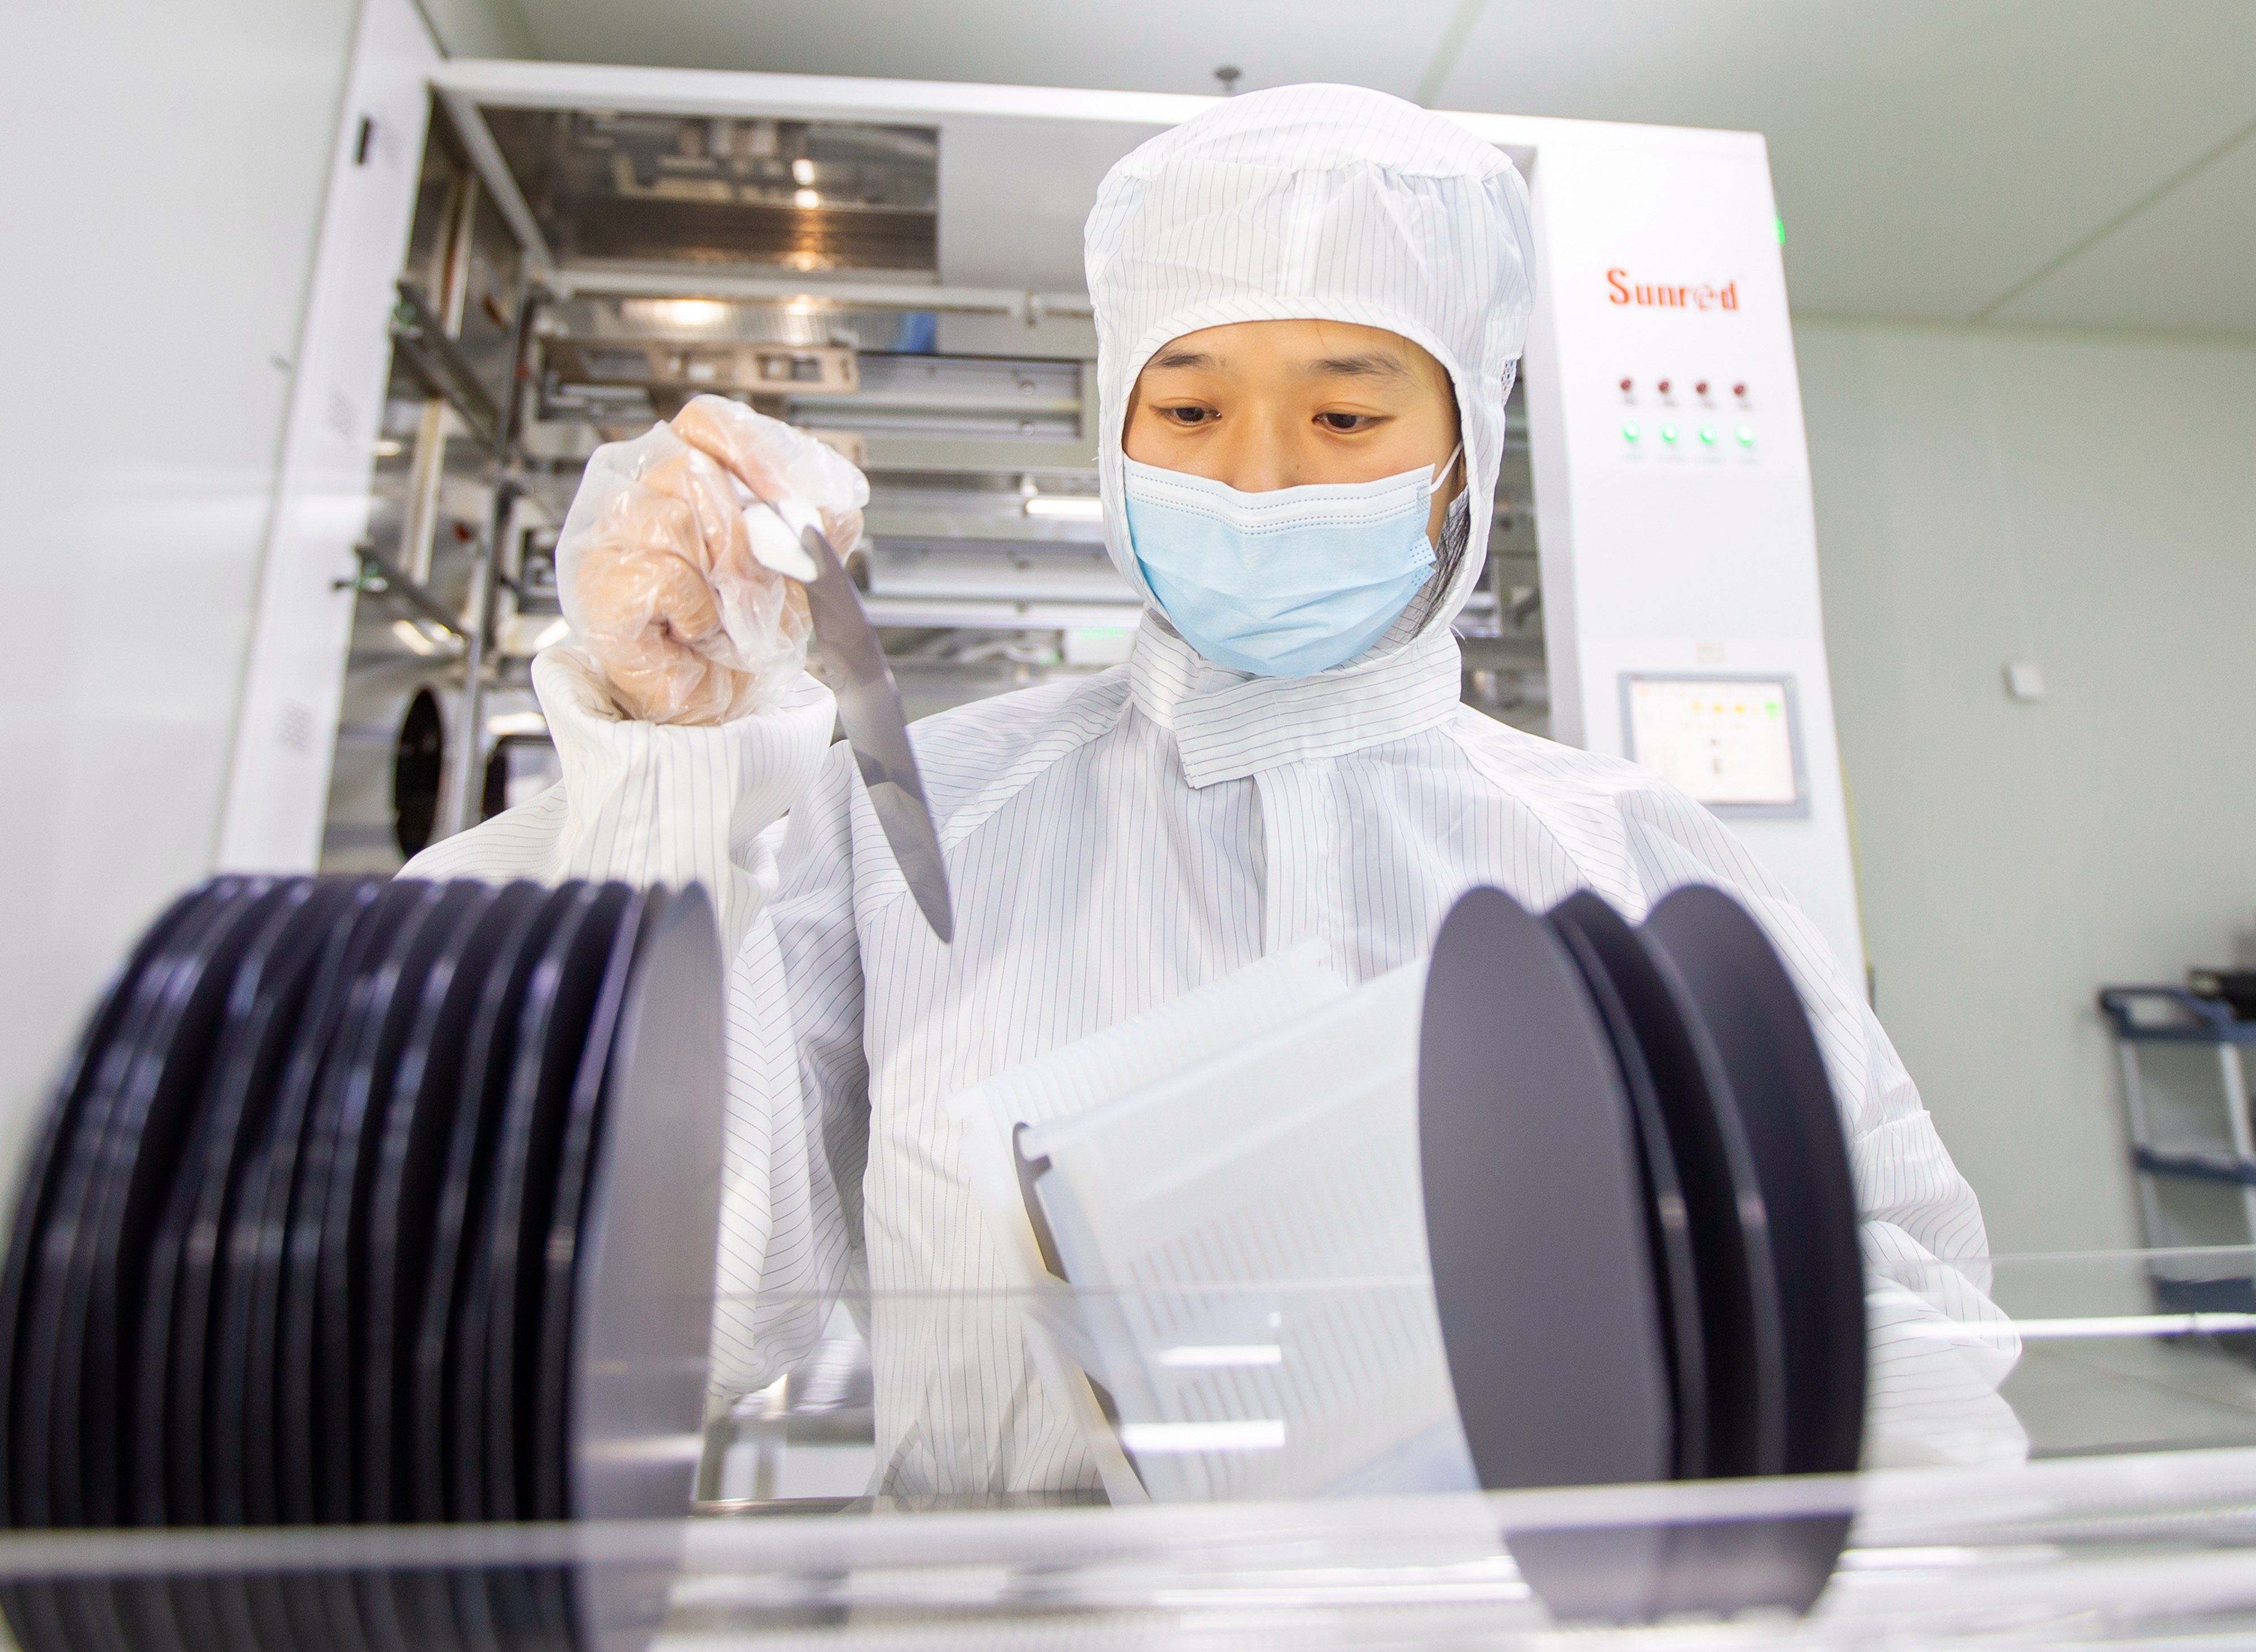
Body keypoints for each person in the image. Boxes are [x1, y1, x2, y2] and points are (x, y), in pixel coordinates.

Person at [408, 83, 2024, 1492]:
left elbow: (1908, 1321)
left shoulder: (1640, 863)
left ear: (1468, 446)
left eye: (1344, 410)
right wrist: (668, 757)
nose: (1256, 477)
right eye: (1187, 407)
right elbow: (644, 1311)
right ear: (1113, 436)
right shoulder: (914, 824)